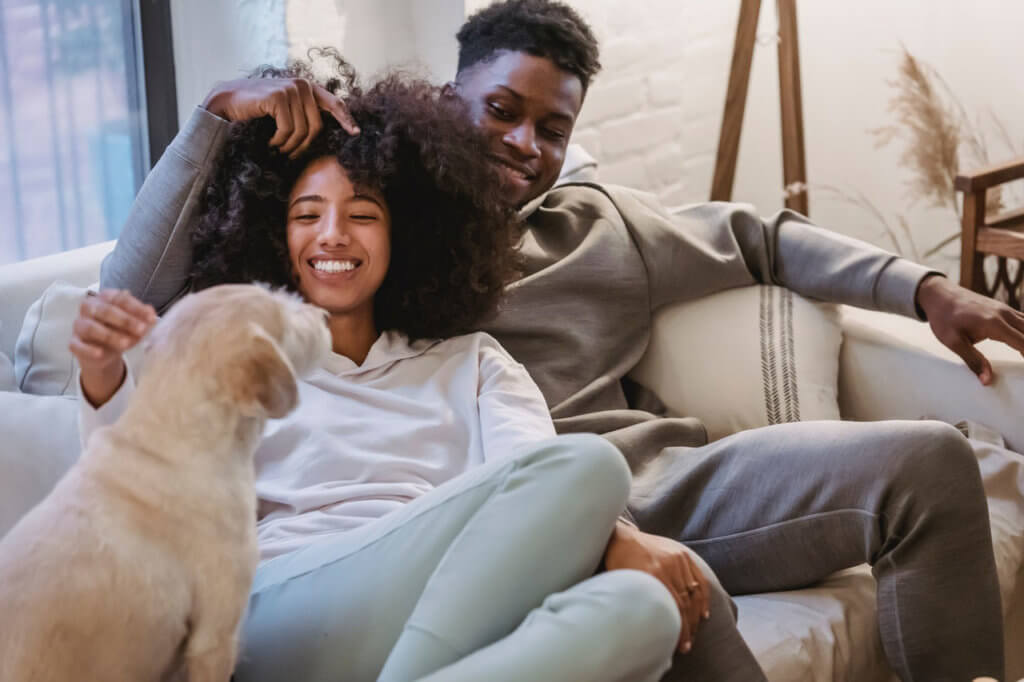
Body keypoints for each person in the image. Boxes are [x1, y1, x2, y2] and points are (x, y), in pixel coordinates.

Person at [99, 2, 1024, 680]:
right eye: (500, 110)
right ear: (444, 100)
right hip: (483, 523)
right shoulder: (348, 241)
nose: (522, 143)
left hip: (647, 485)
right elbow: (127, 301)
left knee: (933, 459)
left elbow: (758, 237)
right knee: (656, 572)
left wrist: (925, 287)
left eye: (552, 129)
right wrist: (219, 119)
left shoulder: (595, 225)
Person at [70, 59, 687, 682]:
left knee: (643, 612)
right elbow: (134, 464)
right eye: (307, 216)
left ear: (406, 236)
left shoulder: (472, 362)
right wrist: (216, 109)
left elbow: (534, 482)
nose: (333, 236)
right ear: (272, 235)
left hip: (447, 602)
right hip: (282, 604)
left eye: (362, 215)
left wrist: (608, 531)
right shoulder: (233, 360)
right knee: (592, 464)